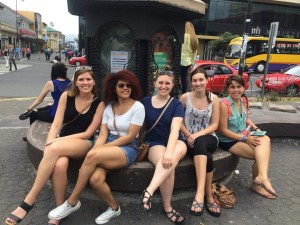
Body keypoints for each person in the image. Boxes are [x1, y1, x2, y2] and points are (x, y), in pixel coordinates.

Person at [5, 67, 105, 225]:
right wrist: (51, 140)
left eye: (88, 79)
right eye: (81, 79)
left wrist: (55, 143)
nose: (85, 83)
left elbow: (88, 133)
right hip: (62, 140)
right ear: (75, 82)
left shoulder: (99, 103)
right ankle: (59, 211)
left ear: (93, 82)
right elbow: (57, 123)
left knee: (55, 148)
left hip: (83, 143)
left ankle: (29, 201)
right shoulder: (67, 96)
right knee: (60, 164)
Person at [48, 70, 145, 225]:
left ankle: (72, 201)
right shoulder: (108, 107)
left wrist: (98, 151)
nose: (125, 88)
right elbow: (102, 135)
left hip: (127, 148)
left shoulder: (138, 107)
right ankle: (114, 208)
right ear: (114, 88)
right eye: (121, 85)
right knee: (95, 179)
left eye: (129, 85)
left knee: (92, 156)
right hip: (108, 146)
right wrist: (97, 149)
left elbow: (130, 136)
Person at [217, 75, 277, 199]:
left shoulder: (243, 100)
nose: (236, 90)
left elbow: (246, 119)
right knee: (260, 155)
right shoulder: (224, 104)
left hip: (244, 134)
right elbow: (222, 130)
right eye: (232, 87)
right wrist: (245, 139)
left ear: (243, 88)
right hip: (229, 140)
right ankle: (258, 183)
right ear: (227, 89)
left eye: (239, 87)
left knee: (265, 139)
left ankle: (262, 176)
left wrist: (256, 129)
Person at [141, 69, 187, 223]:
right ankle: (168, 207)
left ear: (172, 85)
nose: (163, 86)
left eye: (167, 83)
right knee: (167, 167)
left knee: (170, 158)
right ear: (155, 83)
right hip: (154, 142)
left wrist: (169, 151)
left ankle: (149, 190)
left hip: (176, 142)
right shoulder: (145, 102)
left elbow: (175, 129)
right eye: (160, 82)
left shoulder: (176, 104)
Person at [180, 66, 221, 217]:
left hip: (209, 137)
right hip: (188, 139)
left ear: (207, 80)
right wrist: (189, 135)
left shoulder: (214, 99)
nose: (198, 83)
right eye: (195, 80)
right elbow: (178, 121)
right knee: (207, 156)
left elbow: (215, 125)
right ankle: (208, 196)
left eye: (201, 80)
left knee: (201, 143)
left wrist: (196, 136)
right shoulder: (185, 98)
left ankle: (199, 194)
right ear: (191, 82)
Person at [180, 21, 198, 94]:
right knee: (183, 78)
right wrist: (192, 64)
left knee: (176, 77)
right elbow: (194, 53)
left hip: (181, 61)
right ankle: (184, 93)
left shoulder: (183, 36)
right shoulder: (195, 39)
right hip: (188, 62)